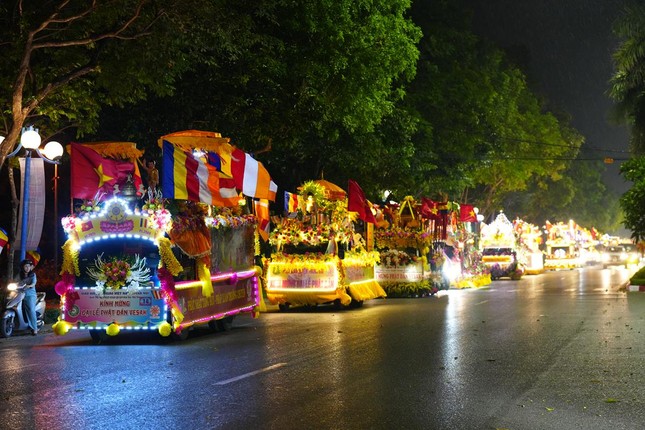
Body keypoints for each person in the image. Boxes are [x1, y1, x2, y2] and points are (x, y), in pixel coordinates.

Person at [16, 259, 38, 335]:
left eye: (29, 266)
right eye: (26, 266)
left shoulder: (33, 275)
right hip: (20, 294)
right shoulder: (20, 275)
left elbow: (33, 283)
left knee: (31, 310)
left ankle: (35, 328)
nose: (27, 268)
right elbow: (15, 281)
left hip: (30, 295)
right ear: (23, 267)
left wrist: (29, 285)